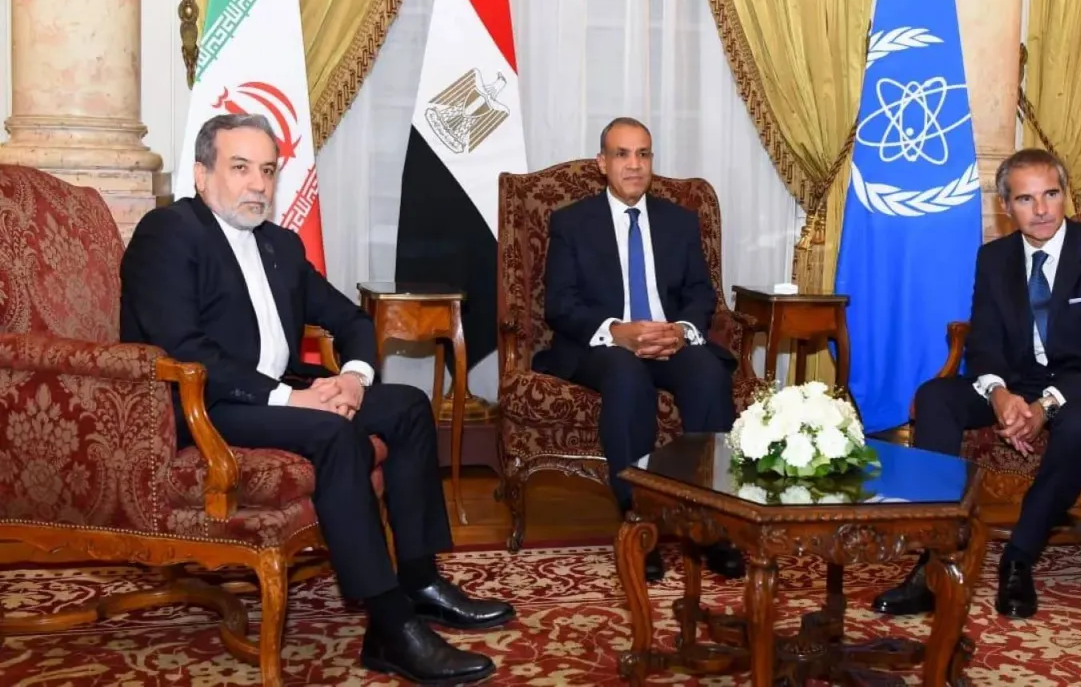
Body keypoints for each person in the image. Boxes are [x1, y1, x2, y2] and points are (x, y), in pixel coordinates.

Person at [120, 113, 512, 685]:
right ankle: (389, 626)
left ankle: (420, 579)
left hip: (279, 392)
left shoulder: (279, 244)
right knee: (334, 432)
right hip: (207, 406)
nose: (258, 184)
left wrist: (352, 379)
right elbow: (186, 350)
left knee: (406, 406)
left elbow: (351, 320)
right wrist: (291, 399)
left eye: (267, 171)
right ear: (202, 175)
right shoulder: (170, 233)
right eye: (240, 168)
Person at [872, 148, 1081, 619]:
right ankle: (934, 558)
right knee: (935, 397)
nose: (1041, 209)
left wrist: (1045, 406)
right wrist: (1000, 394)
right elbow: (984, 343)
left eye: (1051, 194)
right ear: (1006, 206)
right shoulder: (994, 258)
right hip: (1020, 380)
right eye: (1026, 199)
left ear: (1065, 195)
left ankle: (1019, 558)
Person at [534, 116, 744, 583]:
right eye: (622, 154)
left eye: (643, 154)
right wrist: (618, 331)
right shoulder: (572, 222)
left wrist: (682, 330)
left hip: (669, 339)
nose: (634, 165)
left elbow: (700, 293)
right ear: (602, 163)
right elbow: (560, 304)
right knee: (626, 376)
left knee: (708, 373)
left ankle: (712, 520)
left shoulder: (679, 221)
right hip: (604, 345)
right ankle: (639, 521)